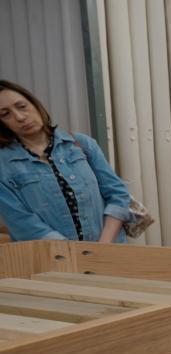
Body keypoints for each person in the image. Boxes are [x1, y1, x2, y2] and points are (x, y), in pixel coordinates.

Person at [0, 80, 131, 243]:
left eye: (22, 106)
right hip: (51, 260)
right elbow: (21, 222)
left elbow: (117, 194)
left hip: (108, 253)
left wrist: (103, 246)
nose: (20, 117)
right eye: (5, 114)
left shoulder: (81, 144)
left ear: (35, 104)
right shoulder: (4, 165)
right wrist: (72, 254)